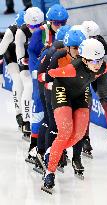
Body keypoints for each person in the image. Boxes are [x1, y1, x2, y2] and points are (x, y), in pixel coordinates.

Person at [41, 38, 107, 194]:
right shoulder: (71, 68)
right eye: (93, 61)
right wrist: (44, 79)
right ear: (84, 59)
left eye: (100, 60)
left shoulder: (103, 67)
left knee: (78, 134)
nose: (97, 64)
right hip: (62, 90)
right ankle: (50, 172)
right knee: (65, 131)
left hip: (80, 93)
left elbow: (100, 69)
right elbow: (51, 73)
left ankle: (51, 152)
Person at [27, 4, 69, 164]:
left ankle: (56, 148)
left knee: (56, 113)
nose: (59, 26)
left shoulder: (65, 33)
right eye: (56, 23)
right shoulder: (40, 33)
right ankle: (34, 146)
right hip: (41, 72)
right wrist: (35, 70)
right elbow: (31, 52)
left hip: (57, 76)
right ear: (50, 21)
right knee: (40, 107)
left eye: (62, 23)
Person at [81, 20, 107, 156]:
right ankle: (85, 138)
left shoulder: (99, 40)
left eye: (96, 38)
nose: (94, 41)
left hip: (99, 73)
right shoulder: (77, 43)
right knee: (86, 106)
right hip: (83, 75)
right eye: (91, 38)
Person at [14, 7, 44, 143]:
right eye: (32, 26)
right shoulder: (20, 32)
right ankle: (26, 121)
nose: (36, 28)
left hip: (41, 61)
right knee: (28, 87)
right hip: (27, 62)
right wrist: (22, 60)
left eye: (38, 25)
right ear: (26, 25)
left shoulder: (46, 29)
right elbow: (19, 53)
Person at [0, 11, 26, 129]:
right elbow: (0, 52)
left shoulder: (35, 28)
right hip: (11, 53)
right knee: (17, 80)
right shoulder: (10, 32)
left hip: (25, 53)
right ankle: (18, 113)